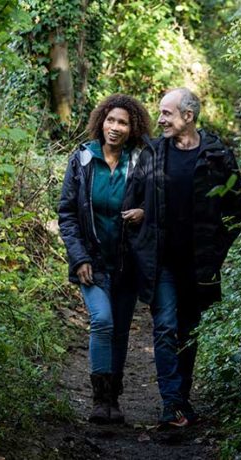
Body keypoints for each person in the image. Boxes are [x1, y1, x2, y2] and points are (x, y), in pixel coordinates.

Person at [128, 87, 241, 427]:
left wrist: (216, 248)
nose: (160, 119)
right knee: (165, 325)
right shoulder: (153, 152)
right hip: (161, 261)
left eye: (167, 113)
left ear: (188, 117)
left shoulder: (217, 156)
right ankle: (170, 404)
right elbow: (133, 198)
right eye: (161, 113)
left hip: (198, 265)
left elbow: (237, 208)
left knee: (187, 330)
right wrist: (141, 219)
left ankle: (181, 398)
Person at [57, 94, 151, 424]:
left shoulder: (141, 160)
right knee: (102, 321)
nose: (115, 127)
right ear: (101, 122)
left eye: (122, 122)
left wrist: (144, 212)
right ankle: (99, 399)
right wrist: (79, 257)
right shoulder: (82, 158)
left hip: (127, 262)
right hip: (92, 262)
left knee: (121, 331)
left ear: (132, 127)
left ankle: (114, 398)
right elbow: (67, 214)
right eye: (110, 120)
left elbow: (157, 204)